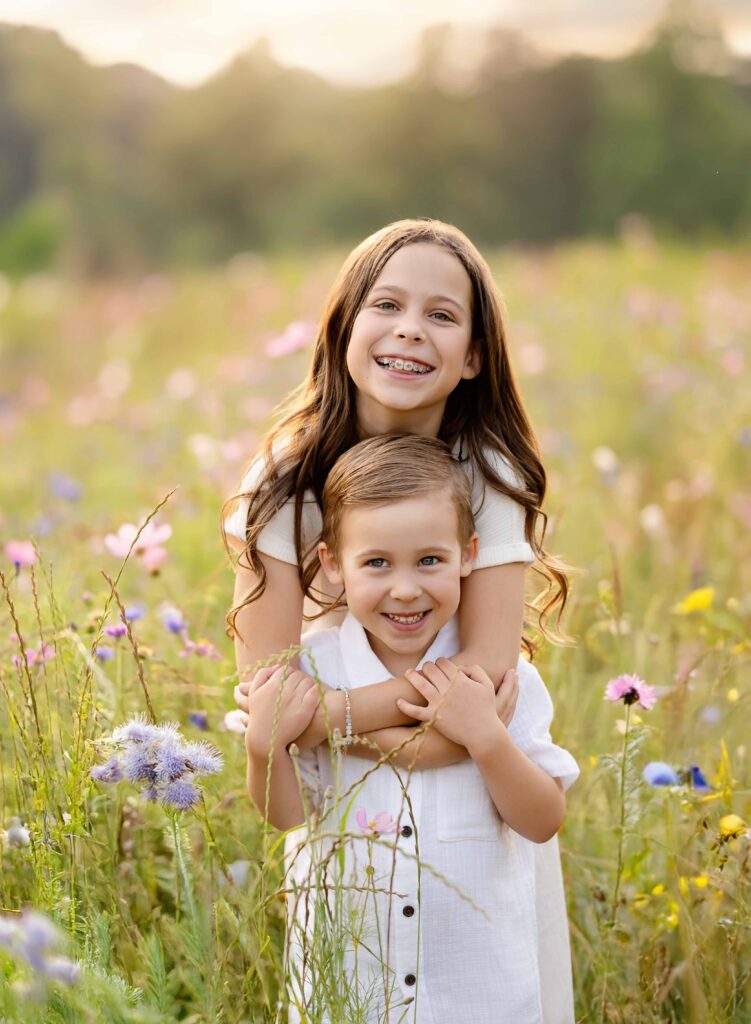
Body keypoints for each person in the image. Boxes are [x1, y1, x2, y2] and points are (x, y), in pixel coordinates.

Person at [222, 218, 575, 1021]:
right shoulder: (280, 482)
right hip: (345, 811)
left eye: (443, 315)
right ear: (345, 326)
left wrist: (333, 718)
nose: (411, 329)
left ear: (474, 356)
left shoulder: (486, 472)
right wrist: (314, 721)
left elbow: (480, 688)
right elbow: (269, 696)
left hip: (468, 821)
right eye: (387, 304)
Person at [244, 435, 579, 1024]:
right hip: (348, 984)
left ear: (469, 555)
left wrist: (487, 739)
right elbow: (289, 816)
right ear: (331, 564)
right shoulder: (315, 670)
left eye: (430, 560)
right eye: (376, 563)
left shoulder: (501, 679)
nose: (405, 588)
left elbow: (543, 819)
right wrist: (260, 747)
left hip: (480, 989)